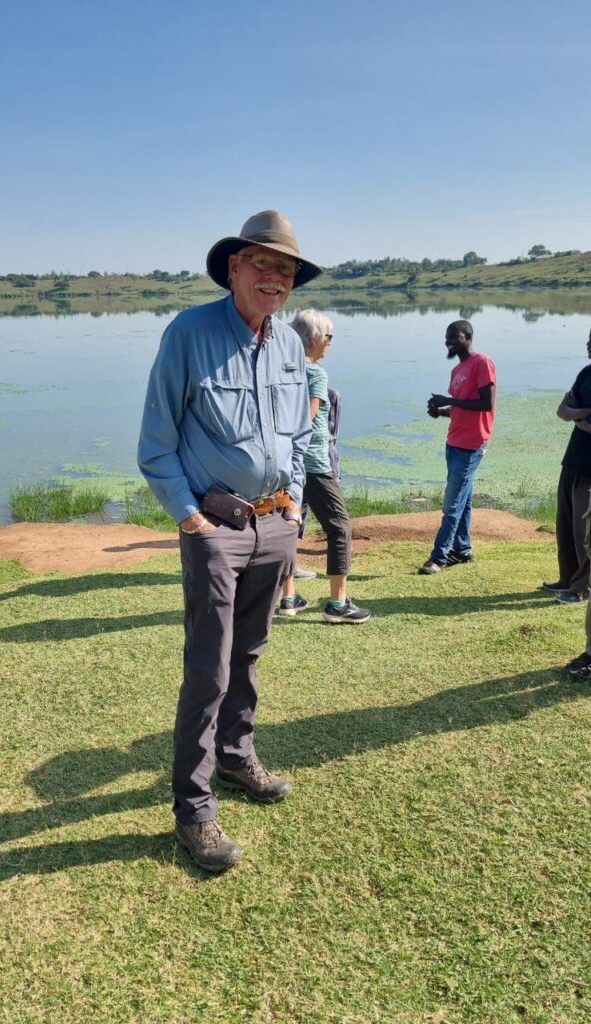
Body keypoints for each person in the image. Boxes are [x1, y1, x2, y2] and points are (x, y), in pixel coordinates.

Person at [137, 211, 321, 871]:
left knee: (251, 652)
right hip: (216, 530)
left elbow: (300, 435)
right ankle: (194, 810)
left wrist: (295, 507)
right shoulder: (188, 333)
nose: (275, 277)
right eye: (262, 264)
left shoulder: (291, 345)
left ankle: (238, 758)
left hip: (275, 525)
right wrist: (192, 521)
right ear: (235, 268)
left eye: (286, 269)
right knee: (208, 669)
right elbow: (156, 445)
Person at [278, 310, 371, 624]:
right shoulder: (315, 373)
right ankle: (338, 603)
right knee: (340, 527)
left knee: (289, 526)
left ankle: (288, 598)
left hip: (285, 462)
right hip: (313, 464)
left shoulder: (281, 367)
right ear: (313, 338)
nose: (330, 342)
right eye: (328, 336)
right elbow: (306, 418)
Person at [419, 320, 496, 574]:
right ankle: (462, 550)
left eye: (454, 336)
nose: (448, 341)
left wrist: (448, 399)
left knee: (451, 504)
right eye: (446, 336)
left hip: (472, 445)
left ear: (469, 336)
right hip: (454, 442)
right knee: (463, 499)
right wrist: (441, 412)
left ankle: (439, 557)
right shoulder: (458, 370)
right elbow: (462, 407)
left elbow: (485, 403)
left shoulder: (482, 363)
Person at [543, 329, 591, 605]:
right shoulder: (586, 373)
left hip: (589, 470)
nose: (587, 344)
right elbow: (562, 410)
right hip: (572, 460)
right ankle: (567, 578)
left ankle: (583, 588)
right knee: (564, 524)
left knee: (583, 530)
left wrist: (578, 416)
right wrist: (583, 414)